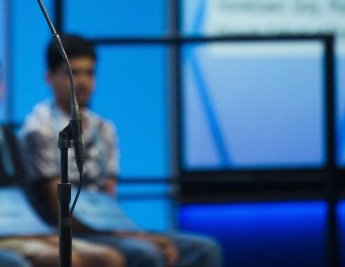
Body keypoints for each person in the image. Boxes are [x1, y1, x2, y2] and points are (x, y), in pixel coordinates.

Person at [19, 36, 223, 267]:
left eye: (90, 73)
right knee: (147, 254)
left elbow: (109, 200)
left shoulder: (104, 128)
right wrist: (131, 236)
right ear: (49, 78)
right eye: (73, 73)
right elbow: (60, 209)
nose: (83, 82)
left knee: (205, 248)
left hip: (108, 228)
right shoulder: (39, 129)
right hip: (67, 230)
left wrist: (130, 232)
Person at [0, 46, 125, 267]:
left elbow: (24, 195)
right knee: (66, 259)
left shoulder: (8, 137)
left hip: (22, 228)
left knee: (110, 258)